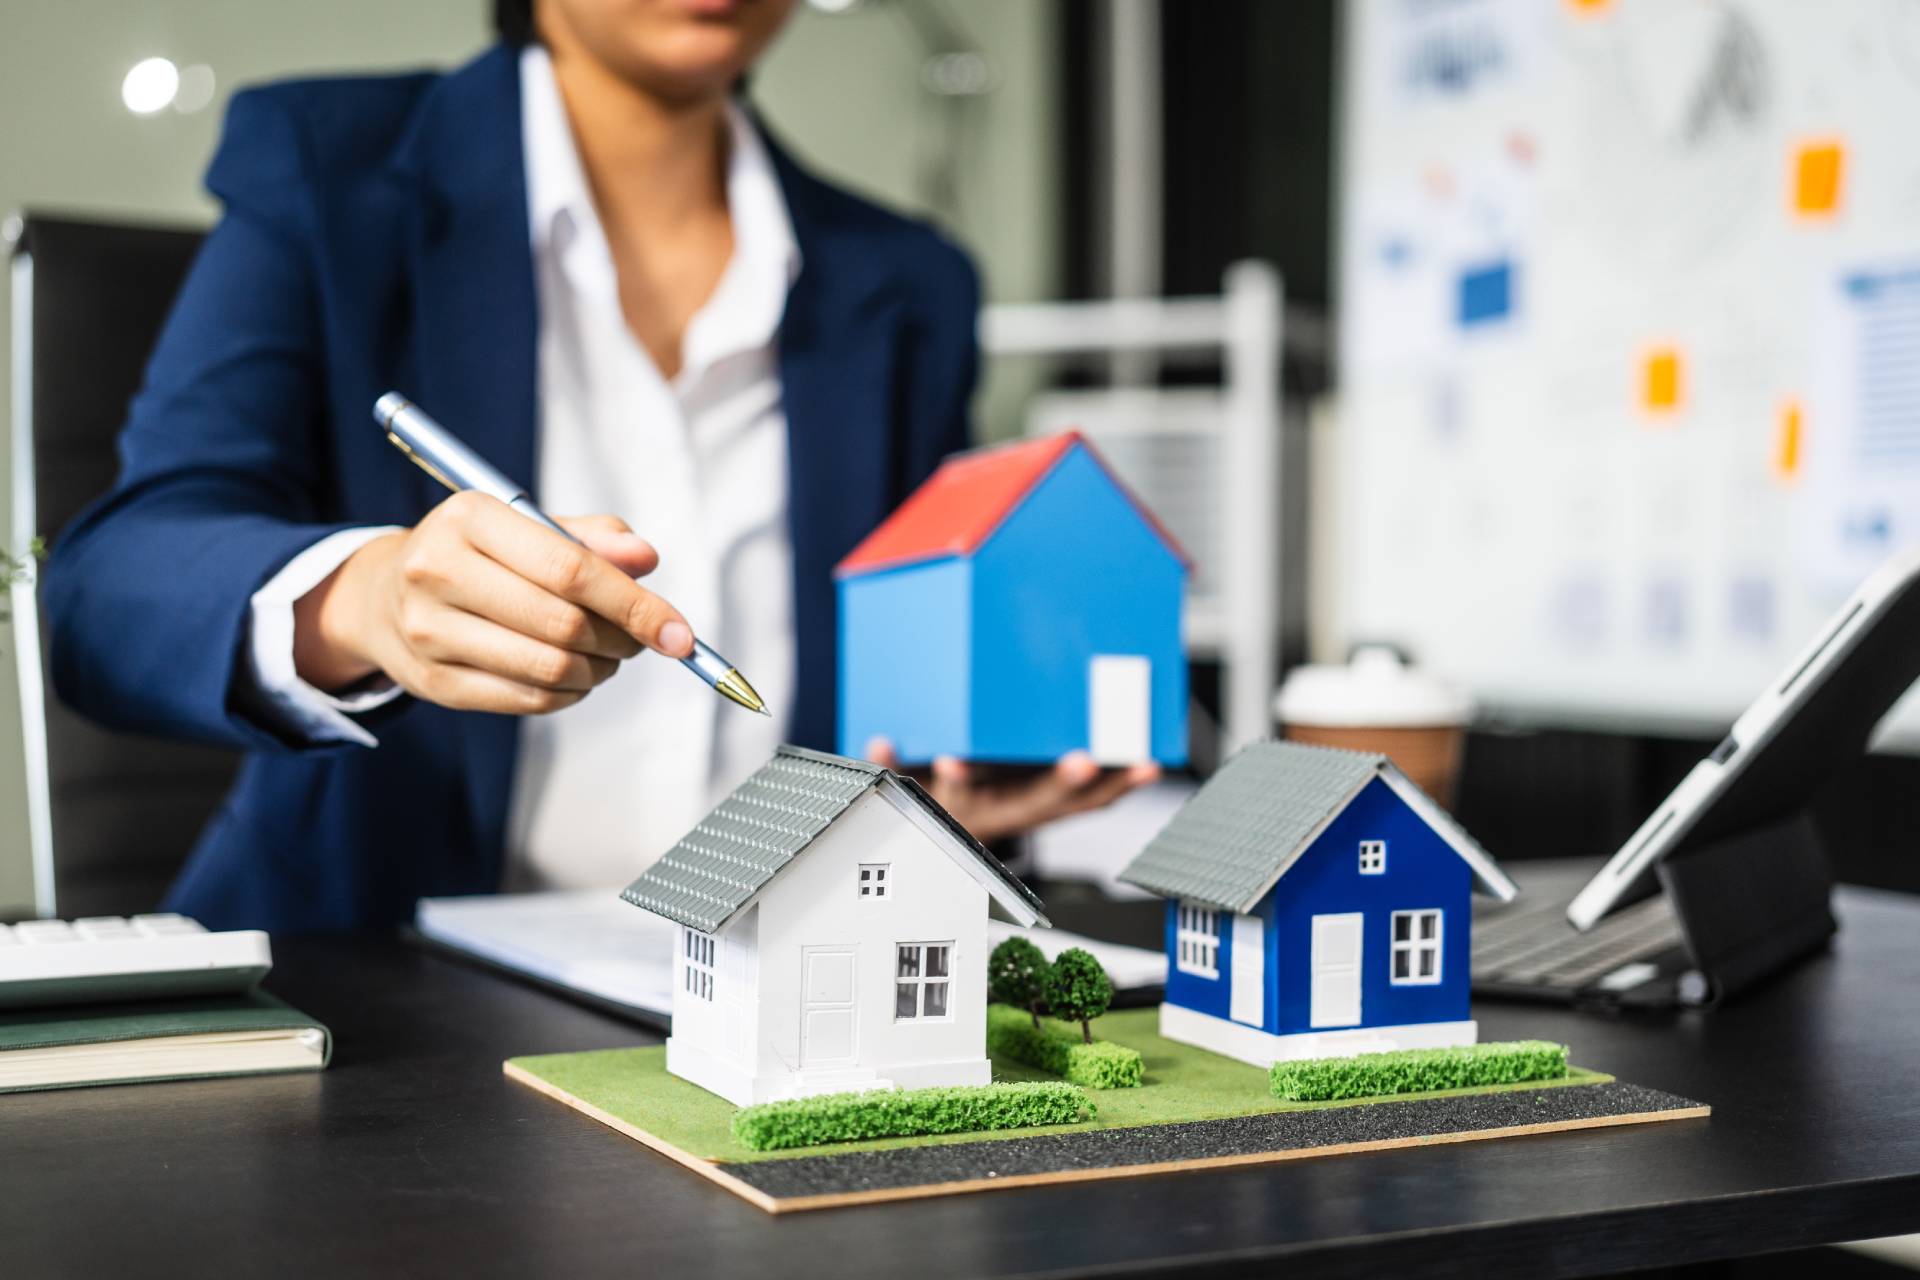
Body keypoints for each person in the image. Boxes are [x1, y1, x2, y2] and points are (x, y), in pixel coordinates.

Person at [43, 0, 1158, 932]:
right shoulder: (331, 172)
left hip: (767, 995)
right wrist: (368, 602)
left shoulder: (910, 286)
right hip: (378, 1019)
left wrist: (942, 786)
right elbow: (104, 595)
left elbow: (892, 658)